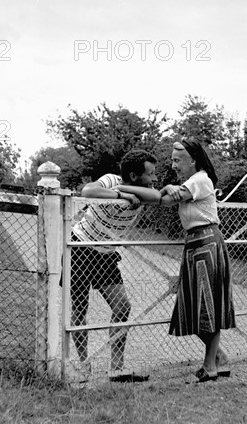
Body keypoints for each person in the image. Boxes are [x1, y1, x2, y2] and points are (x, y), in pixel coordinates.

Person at [67, 149, 159, 379]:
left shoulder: (146, 192)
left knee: (122, 306)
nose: (155, 179)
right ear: (134, 175)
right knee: (79, 309)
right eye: (150, 174)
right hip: (80, 248)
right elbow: (88, 190)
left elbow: (158, 198)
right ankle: (83, 363)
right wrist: (120, 195)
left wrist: (129, 192)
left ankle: (117, 369)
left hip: (106, 254)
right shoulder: (111, 180)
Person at [159, 137, 236, 382]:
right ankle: (219, 357)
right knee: (191, 307)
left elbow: (165, 200)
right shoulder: (191, 182)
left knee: (206, 307)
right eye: (172, 160)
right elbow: (166, 196)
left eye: (177, 160)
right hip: (194, 244)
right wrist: (168, 186)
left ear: (193, 160)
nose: (173, 165)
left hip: (206, 244)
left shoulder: (201, 180)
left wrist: (166, 189)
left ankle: (210, 367)